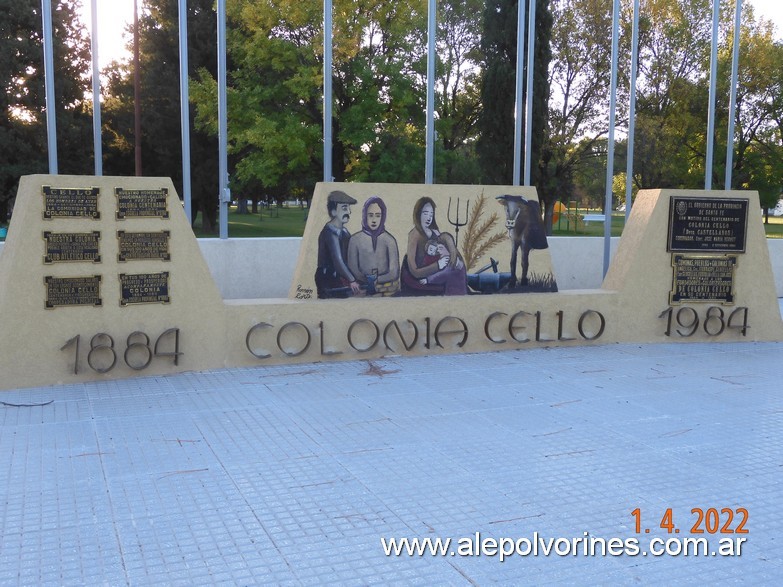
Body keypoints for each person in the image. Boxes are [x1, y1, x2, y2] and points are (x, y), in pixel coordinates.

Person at [401, 197, 467, 295]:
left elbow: (448, 248)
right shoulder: (414, 235)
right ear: (418, 213)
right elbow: (414, 271)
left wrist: (452, 255)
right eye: (425, 213)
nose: (429, 217)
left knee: (456, 272)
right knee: (449, 275)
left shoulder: (435, 232)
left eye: (431, 214)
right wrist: (438, 265)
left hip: (439, 273)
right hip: (421, 278)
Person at [346, 196, 400, 296]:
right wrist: (367, 279)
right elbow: (353, 268)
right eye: (370, 215)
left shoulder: (390, 240)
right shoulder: (354, 240)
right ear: (364, 216)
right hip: (361, 289)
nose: (374, 220)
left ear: (383, 217)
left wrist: (376, 279)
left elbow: (394, 272)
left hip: (386, 290)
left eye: (378, 215)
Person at [314, 190, 360, 298]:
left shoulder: (344, 232)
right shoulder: (329, 233)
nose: (349, 212)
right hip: (328, 278)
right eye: (344, 208)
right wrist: (352, 280)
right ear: (333, 211)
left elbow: (351, 252)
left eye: (349, 208)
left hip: (339, 277)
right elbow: (338, 260)